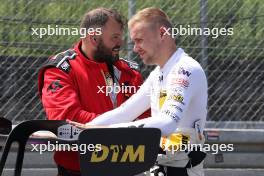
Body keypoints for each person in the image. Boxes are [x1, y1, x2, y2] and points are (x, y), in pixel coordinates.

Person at [69, 7, 208, 176]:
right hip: (162, 168)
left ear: (162, 33)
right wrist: (87, 128)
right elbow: (125, 111)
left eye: (139, 40)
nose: (135, 48)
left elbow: (167, 123)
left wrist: (103, 132)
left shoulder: (185, 68)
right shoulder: (159, 73)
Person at [38, 8, 150, 176]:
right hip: (79, 170)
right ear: (93, 38)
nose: (121, 43)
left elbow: (146, 117)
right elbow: (67, 118)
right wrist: (122, 127)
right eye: (115, 37)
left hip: (126, 167)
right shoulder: (61, 69)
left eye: (121, 36)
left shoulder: (129, 71)